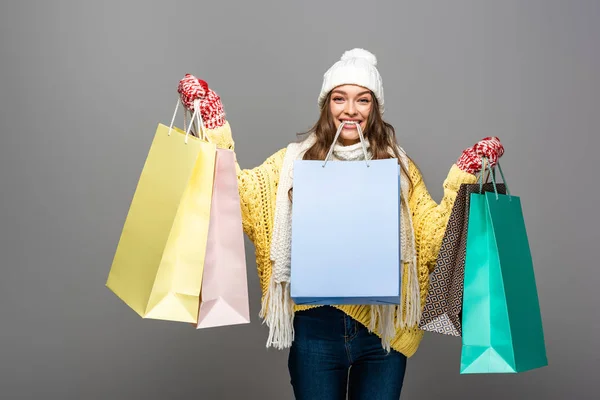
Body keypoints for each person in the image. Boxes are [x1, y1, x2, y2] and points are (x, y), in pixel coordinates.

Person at [176, 48, 504, 399]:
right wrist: (213, 127)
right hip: (316, 330)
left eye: (362, 100)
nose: (350, 110)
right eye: (339, 98)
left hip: (384, 333)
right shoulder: (290, 164)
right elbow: (240, 197)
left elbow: (434, 239)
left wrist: (463, 177)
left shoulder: (400, 169)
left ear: (374, 108)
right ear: (326, 105)